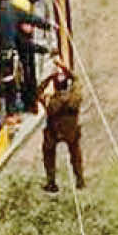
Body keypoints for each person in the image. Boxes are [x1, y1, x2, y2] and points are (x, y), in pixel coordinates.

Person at [40, 64, 84, 193]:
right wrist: (66, 70)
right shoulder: (75, 98)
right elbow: (77, 80)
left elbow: (38, 92)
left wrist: (49, 78)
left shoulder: (52, 102)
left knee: (48, 153)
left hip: (54, 132)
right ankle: (80, 180)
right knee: (75, 154)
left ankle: (51, 182)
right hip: (71, 131)